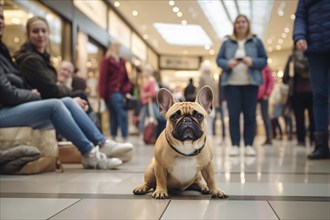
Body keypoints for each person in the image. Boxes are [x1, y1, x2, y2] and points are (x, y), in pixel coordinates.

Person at [0, 8, 131, 170]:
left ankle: (101, 143)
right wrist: (31, 94)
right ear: (28, 34)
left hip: (14, 106)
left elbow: (20, 87)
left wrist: (31, 93)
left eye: (1, 17)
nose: (40, 35)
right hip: (5, 110)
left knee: (69, 101)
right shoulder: (28, 59)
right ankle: (89, 153)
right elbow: (7, 93)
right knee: (56, 104)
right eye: (35, 31)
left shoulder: (4, 51)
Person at [216, 15, 267, 156]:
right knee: (233, 116)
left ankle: (249, 145)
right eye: (238, 22)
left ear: (247, 24)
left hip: (251, 84)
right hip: (232, 84)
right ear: (235, 25)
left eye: (243, 22)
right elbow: (219, 60)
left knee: (250, 116)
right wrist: (228, 64)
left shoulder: (256, 41)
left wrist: (252, 61)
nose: (240, 24)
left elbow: (264, 60)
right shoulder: (227, 42)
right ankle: (235, 145)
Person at [293, 0, 330, 159]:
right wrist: (299, 35)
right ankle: (321, 144)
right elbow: (300, 16)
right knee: (320, 95)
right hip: (315, 50)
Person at [99, 41, 132, 142]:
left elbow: (127, 80)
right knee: (120, 114)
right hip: (111, 93)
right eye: (117, 45)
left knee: (115, 115)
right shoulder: (107, 61)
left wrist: (126, 89)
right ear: (112, 47)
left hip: (120, 92)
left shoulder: (122, 62)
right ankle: (124, 136)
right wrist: (102, 96)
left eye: (119, 46)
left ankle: (114, 136)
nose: (118, 48)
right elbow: (103, 79)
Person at [283, 47, 314, 146]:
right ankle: (313, 138)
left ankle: (301, 140)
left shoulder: (292, 58)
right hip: (311, 91)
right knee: (312, 117)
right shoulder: (312, 56)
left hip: (297, 92)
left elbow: (285, 77)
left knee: (299, 118)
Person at [138, 64, 162, 140]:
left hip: (149, 103)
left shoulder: (151, 81)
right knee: (149, 119)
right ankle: (147, 135)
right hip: (146, 103)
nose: (143, 73)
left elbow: (153, 93)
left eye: (144, 71)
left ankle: (145, 135)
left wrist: (144, 95)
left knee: (147, 119)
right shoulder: (147, 80)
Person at [198, 60, 218, 136]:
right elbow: (216, 91)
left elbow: (199, 90)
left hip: (203, 102)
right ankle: (209, 135)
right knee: (210, 120)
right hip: (211, 102)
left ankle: (206, 135)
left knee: (204, 120)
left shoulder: (202, 77)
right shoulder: (212, 78)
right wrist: (216, 101)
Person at [257, 65, 274, 145]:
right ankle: (253, 137)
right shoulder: (255, 67)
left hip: (264, 96)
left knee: (265, 116)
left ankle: (269, 138)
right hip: (255, 96)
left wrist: (267, 94)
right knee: (251, 116)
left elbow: (271, 81)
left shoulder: (266, 69)